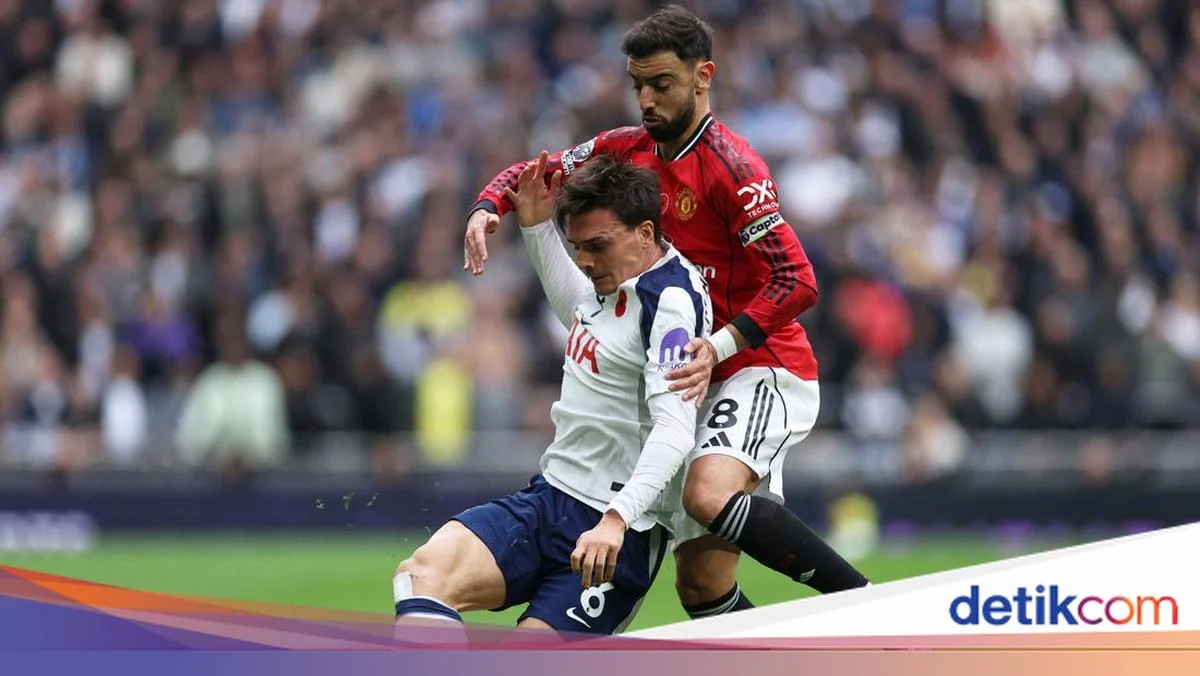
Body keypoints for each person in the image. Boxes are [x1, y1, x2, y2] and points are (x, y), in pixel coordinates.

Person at [463, 4, 870, 621]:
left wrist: (721, 347)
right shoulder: (625, 150)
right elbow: (536, 172)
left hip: (756, 364)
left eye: (662, 85)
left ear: (702, 77)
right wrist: (489, 204)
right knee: (701, 588)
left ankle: (868, 606)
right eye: (638, 86)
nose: (646, 101)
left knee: (708, 493)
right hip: (690, 369)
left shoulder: (735, 170)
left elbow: (798, 281)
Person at [394, 152, 713, 638]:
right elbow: (583, 318)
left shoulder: (669, 303)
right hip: (548, 499)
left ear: (645, 234)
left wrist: (615, 520)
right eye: (578, 246)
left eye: (597, 246)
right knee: (421, 576)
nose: (585, 261)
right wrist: (538, 228)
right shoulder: (616, 278)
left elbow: (674, 430)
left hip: (616, 533)